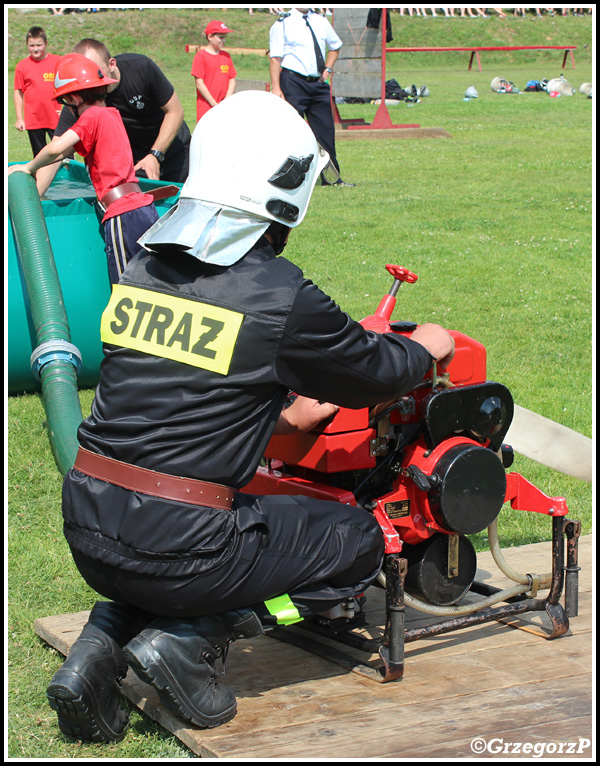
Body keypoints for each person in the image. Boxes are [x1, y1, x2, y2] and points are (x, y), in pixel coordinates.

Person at [44, 91, 455, 743]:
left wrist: (291, 413)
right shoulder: (277, 292)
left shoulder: (144, 265)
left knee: (166, 551)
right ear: (285, 188)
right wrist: (428, 345)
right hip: (180, 549)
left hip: (90, 528)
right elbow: (378, 371)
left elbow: (191, 393)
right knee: (360, 539)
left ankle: (96, 650)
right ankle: (194, 635)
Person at [9, 53, 159, 286]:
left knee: (124, 287)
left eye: (66, 103)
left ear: (75, 97)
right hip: (142, 208)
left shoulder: (91, 117)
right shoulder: (110, 114)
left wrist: (27, 167)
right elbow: (64, 153)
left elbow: (55, 147)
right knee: (148, 285)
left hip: (122, 213)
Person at [35, 38, 191, 197]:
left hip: (174, 151)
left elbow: (175, 111)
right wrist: (34, 200)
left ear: (112, 64)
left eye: (96, 71)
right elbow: (56, 151)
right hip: (135, 164)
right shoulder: (82, 98)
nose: (90, 81)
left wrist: (155, 155)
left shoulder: (140, 68)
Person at [269, 7, 354, 186]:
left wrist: (328, 68)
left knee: (326, 132)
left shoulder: (320, 20)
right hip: (293, 81)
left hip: (317, 83)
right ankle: (293, 180)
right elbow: (275, 58)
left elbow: (335, 46)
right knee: (294, 133)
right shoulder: (282, 23)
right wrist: (276, 87)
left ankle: (332, 179)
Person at [13, 26, 62, 157]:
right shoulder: (22, 66)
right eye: (31, 45)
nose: (35, 49)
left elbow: (69, 86)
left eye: (39, 45)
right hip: (34, 119)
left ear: (46, 43)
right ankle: (41, 177)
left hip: (56, 117)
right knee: (40, 156)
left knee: (64, 153)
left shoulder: (58, 61)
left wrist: (68, 109)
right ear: (26, 45)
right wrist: (19, 118)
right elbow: (18, 92)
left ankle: (66, 178)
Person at [191, 20, 237, 122]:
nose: (224, 40)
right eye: (221, 37)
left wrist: (226, 101)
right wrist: (214, 104)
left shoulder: (226, 56)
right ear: (210, 37)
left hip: (224, 107)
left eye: (225, 37)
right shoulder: (201, 56)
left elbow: (232, 79)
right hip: (206, 108)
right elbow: (199, 83)